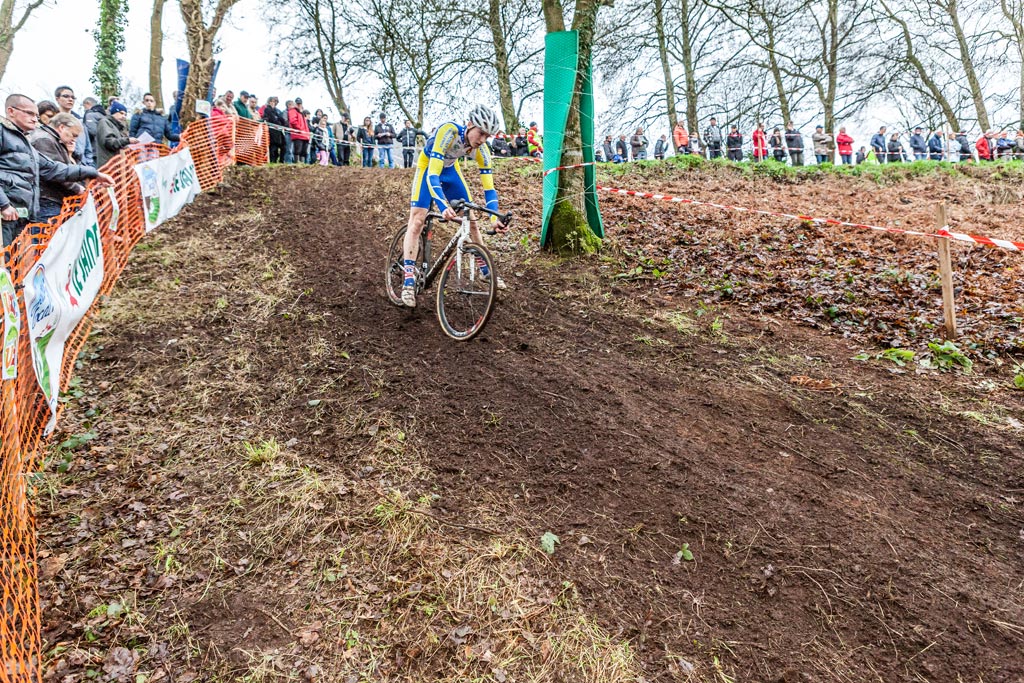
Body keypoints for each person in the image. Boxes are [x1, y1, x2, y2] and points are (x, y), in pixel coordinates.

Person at [402, 105, 507, 308]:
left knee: (471, 220)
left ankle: (486, 271)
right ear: (470, 125)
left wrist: (494, 219)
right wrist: (442, 206)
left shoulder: (482, 150)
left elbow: (489, 189)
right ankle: (408, 281)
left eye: (488, 136)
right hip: (428, 167)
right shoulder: (448, 132)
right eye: (481, 133)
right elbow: (433, 175)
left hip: (450, 170)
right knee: (417, 220)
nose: (483, 139)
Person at [1, 94, 114, 245]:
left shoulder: (26, 143)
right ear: (11, 111)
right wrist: (4, 205)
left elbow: (53, 168)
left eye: (36, 115)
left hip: (21, 212)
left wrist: (93, 173)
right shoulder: (4, 133)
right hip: (7, 212)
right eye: (29, 113)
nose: (35, 119)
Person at [28, 112, 89, 221]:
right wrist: (78, 188)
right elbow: (56, 172)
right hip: (47, 200)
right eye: (73, 135)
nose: (74, 140)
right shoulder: (44, 140)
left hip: (51, 199)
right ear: (61, 127)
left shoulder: (51, 139)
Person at [95, 101, 138, 168]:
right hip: (108, 166)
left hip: (117, 166)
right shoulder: (104, 122)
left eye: (125, 115)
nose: (124, 116)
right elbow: (109, 142)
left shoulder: (119, 127)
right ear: (114, 112)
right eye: (121, 113)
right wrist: (128, 140)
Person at [262, 97, 287, 163]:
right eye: (272, 101)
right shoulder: (267, 109)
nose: (274, 103)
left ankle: (281, 160)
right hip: (272, 131)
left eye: (275, 102)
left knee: (284, 146)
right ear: (269, 102)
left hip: (279, 131)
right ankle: (272, 161)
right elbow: (273, 119)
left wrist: (282, 123)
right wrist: (279, 121)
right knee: (273, 147)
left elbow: (282, 120)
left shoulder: (277, 110)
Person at [288, 98, 311, 163]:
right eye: (298, 103)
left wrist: (307, 133)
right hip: (298, 134)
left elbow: (305, 124)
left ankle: (302, 164)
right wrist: (300, 129)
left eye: (300, 104)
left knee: (304, 152)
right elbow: (293, 121)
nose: (299, 105)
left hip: (304, 135)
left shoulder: (301, 113)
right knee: (298, 150)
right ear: (295, 104)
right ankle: (297, 164)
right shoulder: (293, 111)